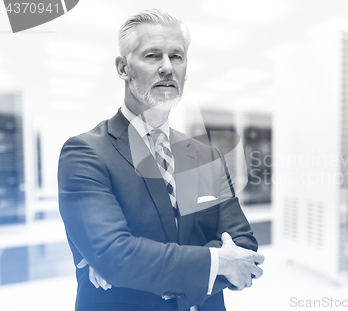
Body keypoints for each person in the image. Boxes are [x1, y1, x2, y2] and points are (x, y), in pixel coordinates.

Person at [58, 8, 264, 311]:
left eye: (176, 56)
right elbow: (117, 255)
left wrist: (139, 269)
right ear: (123, 67)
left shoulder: (206, 156)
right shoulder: (86, 153)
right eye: (152, 55)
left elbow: (243, 246)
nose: (167, 67)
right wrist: (217, 262)